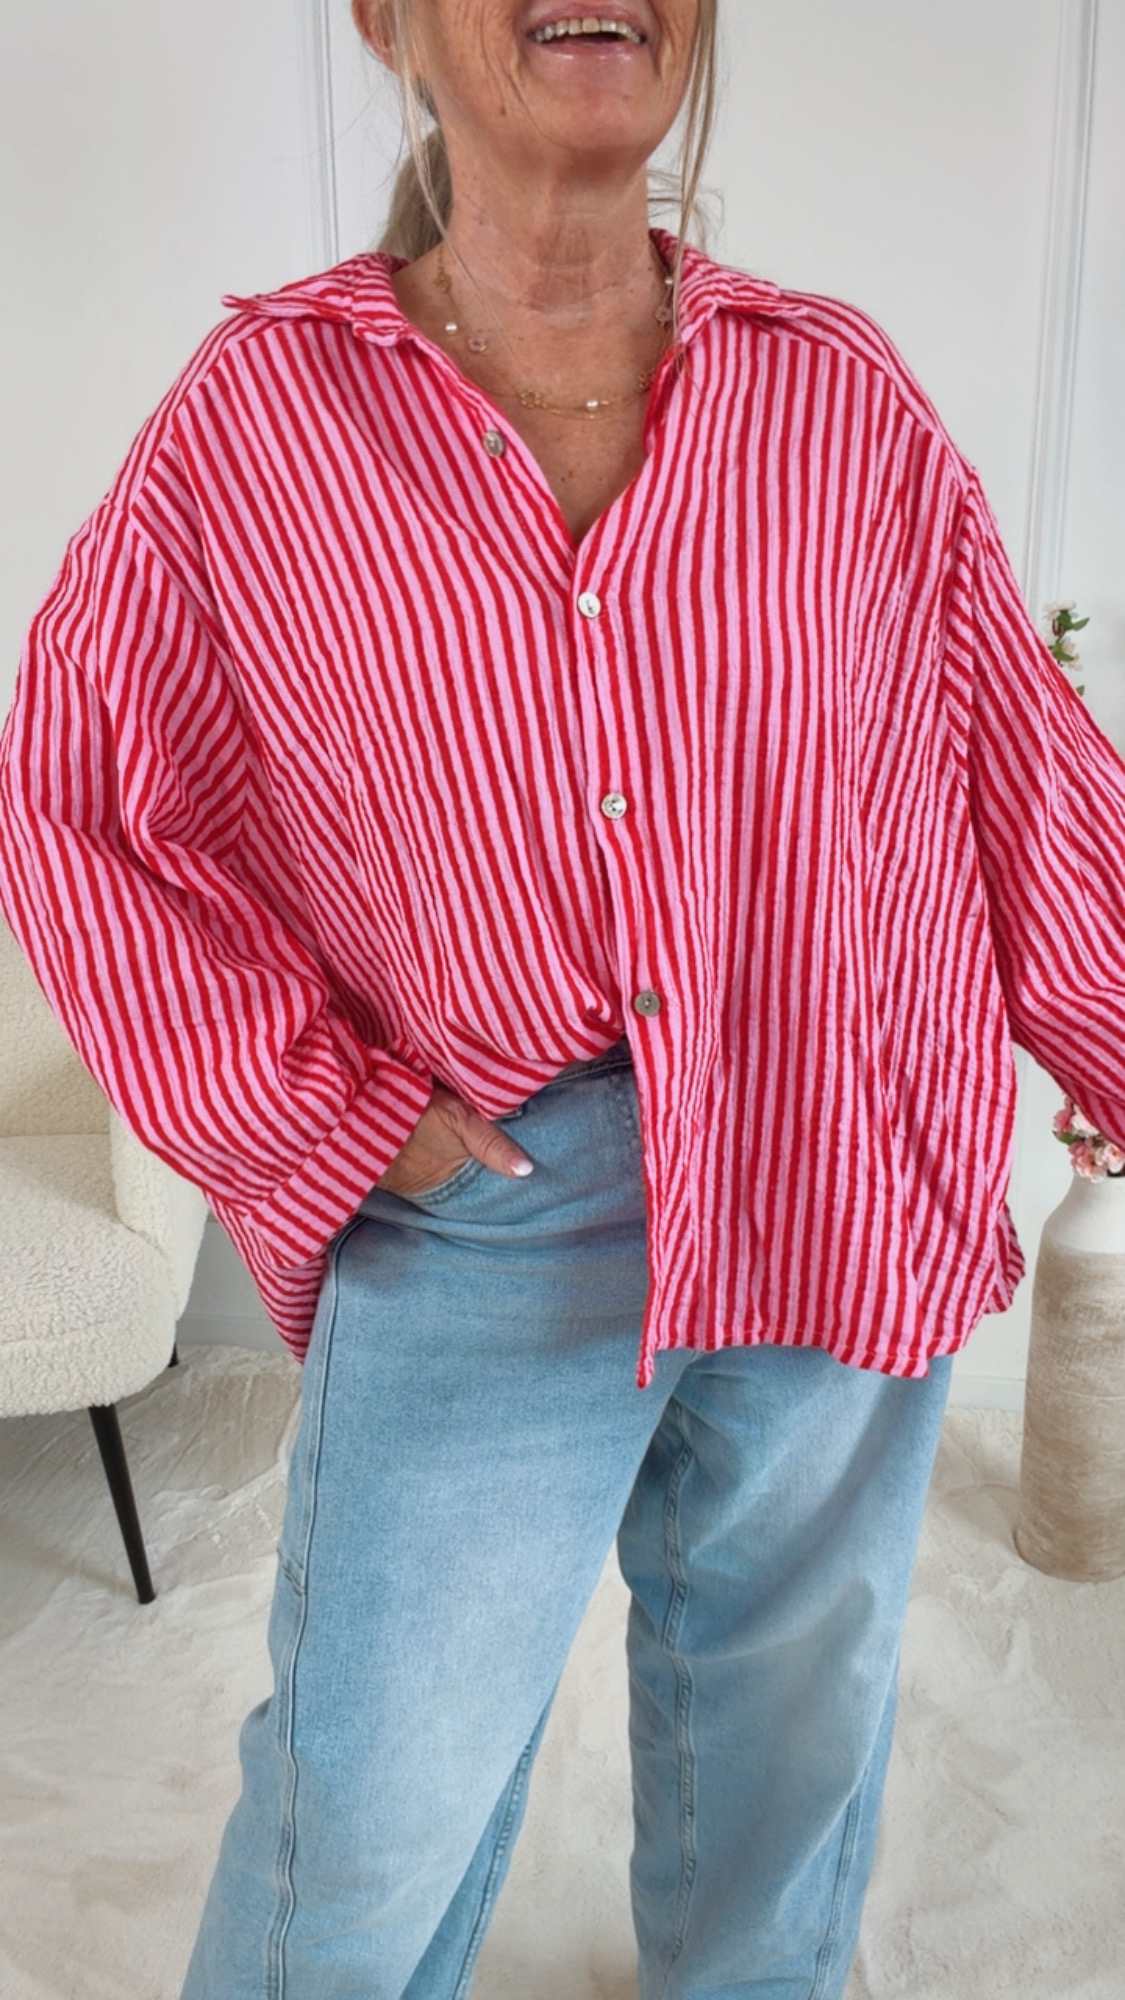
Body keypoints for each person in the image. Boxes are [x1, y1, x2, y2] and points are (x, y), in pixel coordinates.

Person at [2, 1, 1124, 1994]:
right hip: (485, 1209)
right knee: (361, 1815)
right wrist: (338, 1122)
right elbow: (83, 801)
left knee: (789, 1743)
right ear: (385, 20)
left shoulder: (831, 394)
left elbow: (1010, 758)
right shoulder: (261, 423)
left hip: (830, 1144)